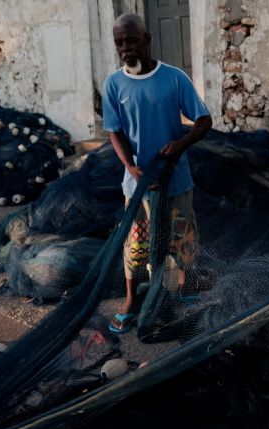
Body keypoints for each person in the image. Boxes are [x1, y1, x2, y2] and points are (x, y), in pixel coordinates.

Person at [102, 13, 212, 333]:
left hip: (175, 181)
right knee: (135, 245)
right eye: (119, 42)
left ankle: (180, 293)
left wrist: (179, 145)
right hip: (137, 185)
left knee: (181, 240)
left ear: (147, 39)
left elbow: (203, 121)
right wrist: (131, 167)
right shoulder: (114, 84)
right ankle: (132, 302)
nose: (125, 47)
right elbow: (115, 132)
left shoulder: (174, 78)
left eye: (131, 40)